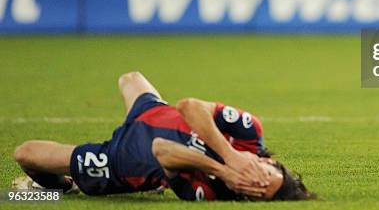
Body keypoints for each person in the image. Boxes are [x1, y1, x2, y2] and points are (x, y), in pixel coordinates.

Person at [13, 72, 312, 201]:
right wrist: (232, 155)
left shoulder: (212, 191)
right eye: (265, 174)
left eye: (256, 191)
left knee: (25, 154)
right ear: (271, 161)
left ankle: (64, 187)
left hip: (121, 159)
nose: (254, 179)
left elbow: (162, 150)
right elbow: (189, 106)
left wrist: (222, 169)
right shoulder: (249, 133)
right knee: (130, 77)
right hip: (153, 113)